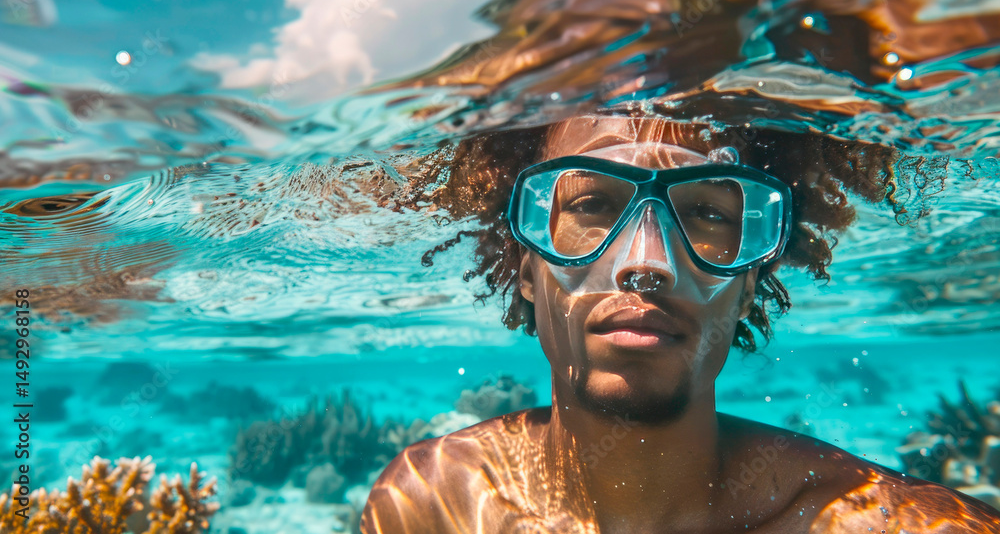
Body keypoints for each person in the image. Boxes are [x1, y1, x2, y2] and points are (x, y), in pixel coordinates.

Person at [360, 111, 1000, 533]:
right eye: (591, 203)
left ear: (747, 286)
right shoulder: (433, 505)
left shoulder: (894, 524)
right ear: (528, 269)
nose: (647, 263)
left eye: (707, 215)